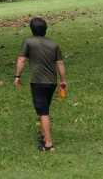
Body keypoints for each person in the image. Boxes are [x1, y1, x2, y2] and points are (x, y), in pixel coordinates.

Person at [14, 17, 67, 151]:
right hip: (51, 83)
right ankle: (43, 134)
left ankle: (48, 144)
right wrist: (63, 80)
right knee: (44, 109)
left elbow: (21, 60)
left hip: (38, 82)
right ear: (45, 29)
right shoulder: (53, 44)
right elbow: (60, 63)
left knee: (43, 112)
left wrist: (17, 76)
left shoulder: (28, 42)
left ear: (32, 29)